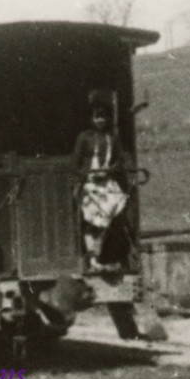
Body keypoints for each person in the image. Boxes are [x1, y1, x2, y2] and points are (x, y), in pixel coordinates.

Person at [73, 100, 128, 273]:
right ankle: (93, 261)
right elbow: (76, 161)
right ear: (91, 118)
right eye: (97, 117)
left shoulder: (113, 137)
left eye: (103, 117)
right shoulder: (84, 137)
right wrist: (85, 176)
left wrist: (111, 170)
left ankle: (103, 257)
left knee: (109, 219)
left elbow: (120, 159)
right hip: (90, 185)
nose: (100, 121)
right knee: (90, 222)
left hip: (107, 184)